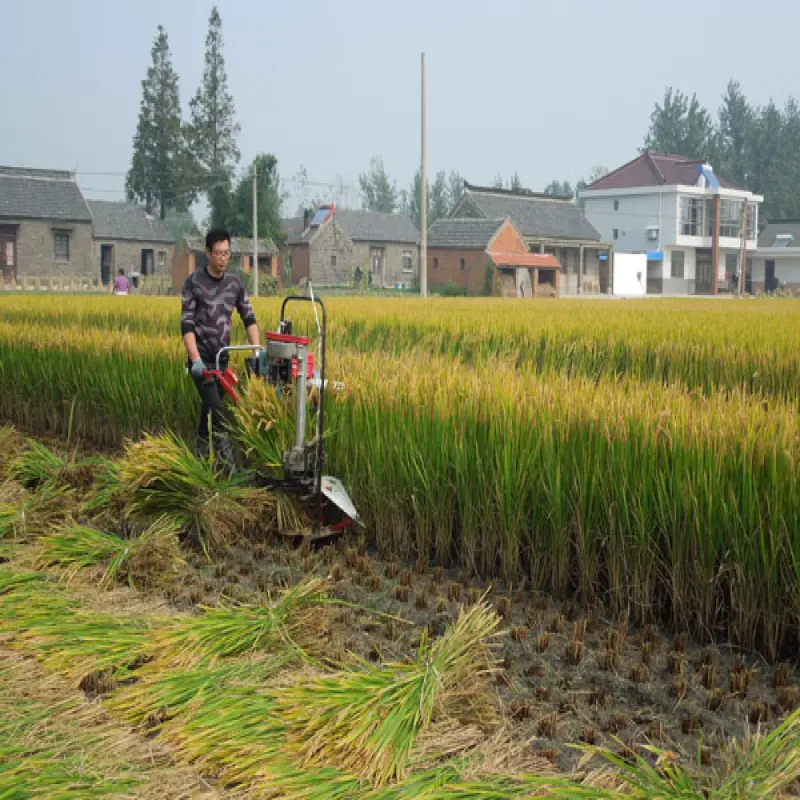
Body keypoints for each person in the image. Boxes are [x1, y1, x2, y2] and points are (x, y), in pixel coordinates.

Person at [180, 228, 260, 469]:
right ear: (207, 253)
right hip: (202, 361)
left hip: (222, 359)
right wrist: (195, 360)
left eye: (227, 253)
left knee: (208, 414)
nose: (223, 258)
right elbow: (186, 325)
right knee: (218, 413)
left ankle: (197, 464)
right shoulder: (193, 282)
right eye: (218, 253)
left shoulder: (235, 283)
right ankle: (232, 473)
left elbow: (249, 318)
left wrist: (257, 352)